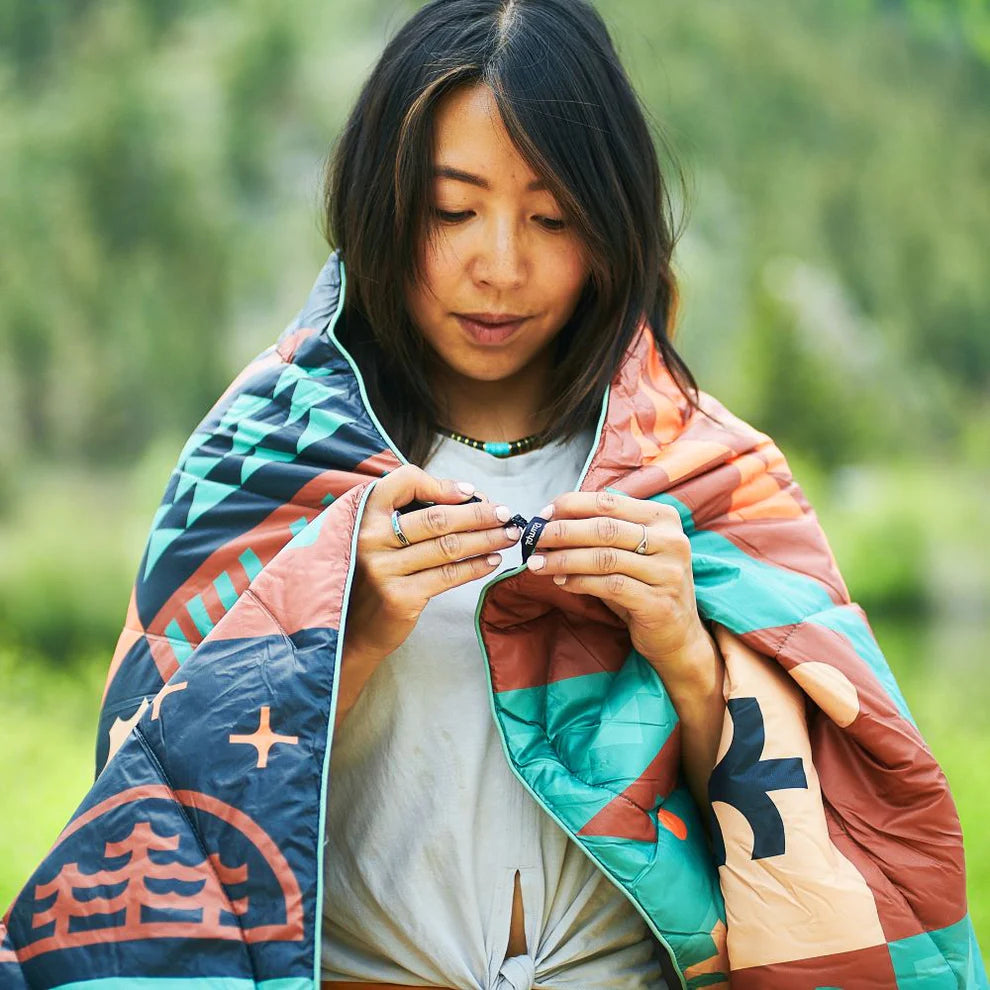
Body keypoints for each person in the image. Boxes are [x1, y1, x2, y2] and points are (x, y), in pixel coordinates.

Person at [1, 1, 983, 988]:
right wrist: (350, 630)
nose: (500, 266)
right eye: (453, 210)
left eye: (552, 217)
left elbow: (817, 826)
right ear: (383, 208)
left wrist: (688, 654)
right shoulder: (263, 457)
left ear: (612, 227)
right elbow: (160, 801)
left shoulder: (707, 472)